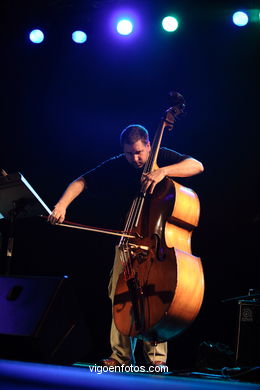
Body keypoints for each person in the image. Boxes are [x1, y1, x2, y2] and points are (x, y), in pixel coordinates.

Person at [48, 124, 204, 367]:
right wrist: (61, 205)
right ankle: (120, 357)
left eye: (140, 152)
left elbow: (197, 165)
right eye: (130, 153)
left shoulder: (160, 156)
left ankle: (156, 359)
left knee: (156, 294)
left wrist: (162, 171)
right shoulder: (120, 163)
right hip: (127, 240)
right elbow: (81, 181)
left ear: (149, 145)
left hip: (155, 243)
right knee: (118, 294)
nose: (136, 158)